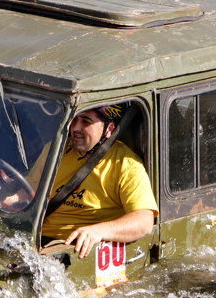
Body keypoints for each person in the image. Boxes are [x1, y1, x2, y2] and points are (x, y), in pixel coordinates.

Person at [41, 104, 158, 258]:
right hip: (34, 237)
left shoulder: (126, 164)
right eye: (74, 119)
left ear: (109, 129)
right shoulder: (57, 149)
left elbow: (144, 222)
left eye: (86, 122)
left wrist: (99, 231)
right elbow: (28, 191)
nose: (75, 128)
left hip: (73, 248)